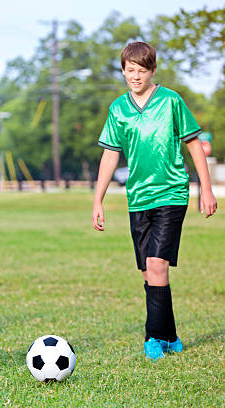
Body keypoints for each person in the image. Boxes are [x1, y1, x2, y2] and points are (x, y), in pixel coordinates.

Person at [92, 41, 217, 360]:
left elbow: (193, 145)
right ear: (122, 71)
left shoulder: (171, 101)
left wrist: (206, 188)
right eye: (129, 71)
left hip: (171, 193)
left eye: (141, 70)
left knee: (157, 266)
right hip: (138, 198)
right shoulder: (118, 108)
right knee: (150, 274)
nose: (135, 76)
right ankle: (171, 335)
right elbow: (110, 155)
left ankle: (152, 338)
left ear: (153, 71)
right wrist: (98, 201)